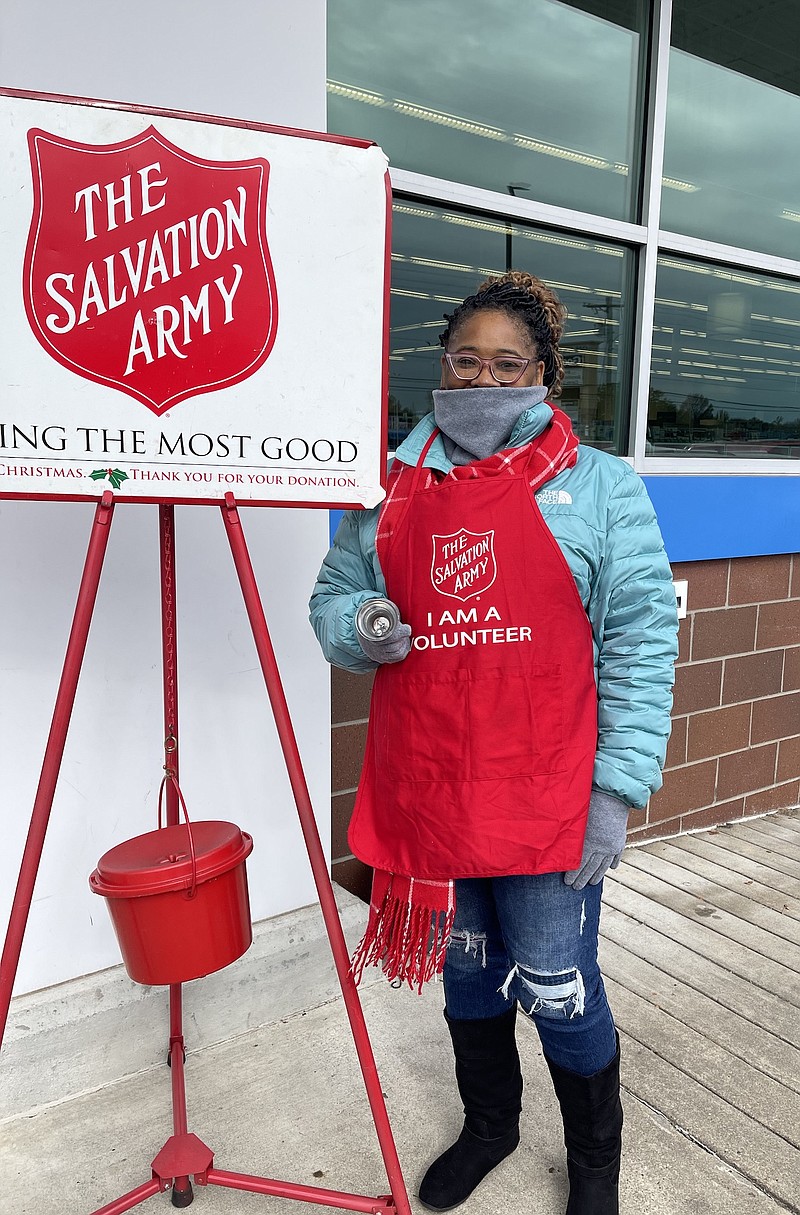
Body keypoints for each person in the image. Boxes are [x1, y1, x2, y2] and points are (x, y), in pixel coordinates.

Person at [309, 270, 678, 1215]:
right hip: (433, 791)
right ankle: (491, 1124)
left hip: (549, 798)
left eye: (506, 363)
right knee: (468, 969)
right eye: (466, 360)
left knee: (557, 979)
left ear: (543, 373)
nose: (483, 379)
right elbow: (331, 601)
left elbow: (641, 642)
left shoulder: (600, 487)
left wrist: (616, 790)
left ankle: (595, 1157)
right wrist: (368, 624)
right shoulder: (388, 488)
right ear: (443, 365)